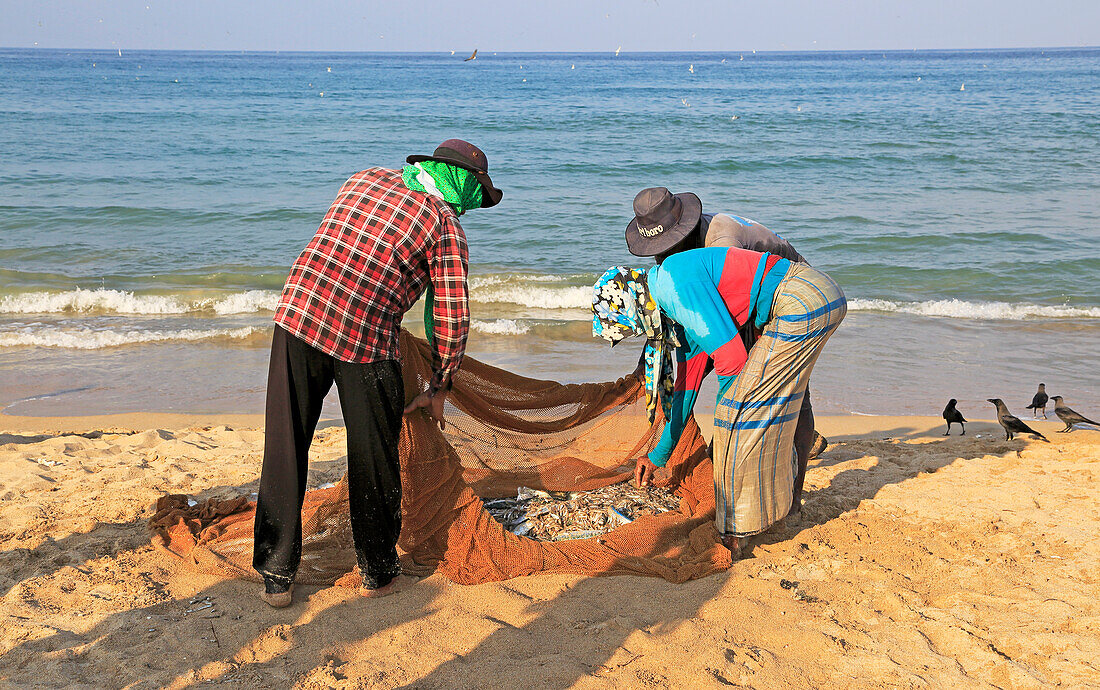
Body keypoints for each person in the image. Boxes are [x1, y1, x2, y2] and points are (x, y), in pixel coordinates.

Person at [252, 139, 503, 607]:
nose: (471, 207)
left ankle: (275, 574)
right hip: (364, 338)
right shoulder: (444, 226)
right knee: (373, 455)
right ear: (464, 183)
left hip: (297, 314)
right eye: (475, 194)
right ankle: (378, 571)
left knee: (285, 445)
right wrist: (440, 383)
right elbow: (449, 315)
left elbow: (340, 247)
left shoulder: (365, 176)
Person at [592, 246, 845, 556]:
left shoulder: (674, 286)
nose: (639, 333)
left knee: (734, 421)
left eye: (632, 327)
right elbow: (684, 394)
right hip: (812, 299)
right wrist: (657, 457)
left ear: (636, 305)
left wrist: (730, 416)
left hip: (802, 302)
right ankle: (778, 509)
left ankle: (734, 533)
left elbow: (732, 359)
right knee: (763, 412)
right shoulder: (676, 308)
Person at [623, 187, 822, 517]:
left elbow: (733, 353)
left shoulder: (721, 240)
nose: (663, 259)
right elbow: (693, 362)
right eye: (657, 252)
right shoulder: (684, 266)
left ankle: (794, 496)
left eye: (668, 248)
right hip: (753, 305)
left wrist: (726, 434)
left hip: (787, 293)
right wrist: (659, 455)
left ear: (687, 230)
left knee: (795, 397)